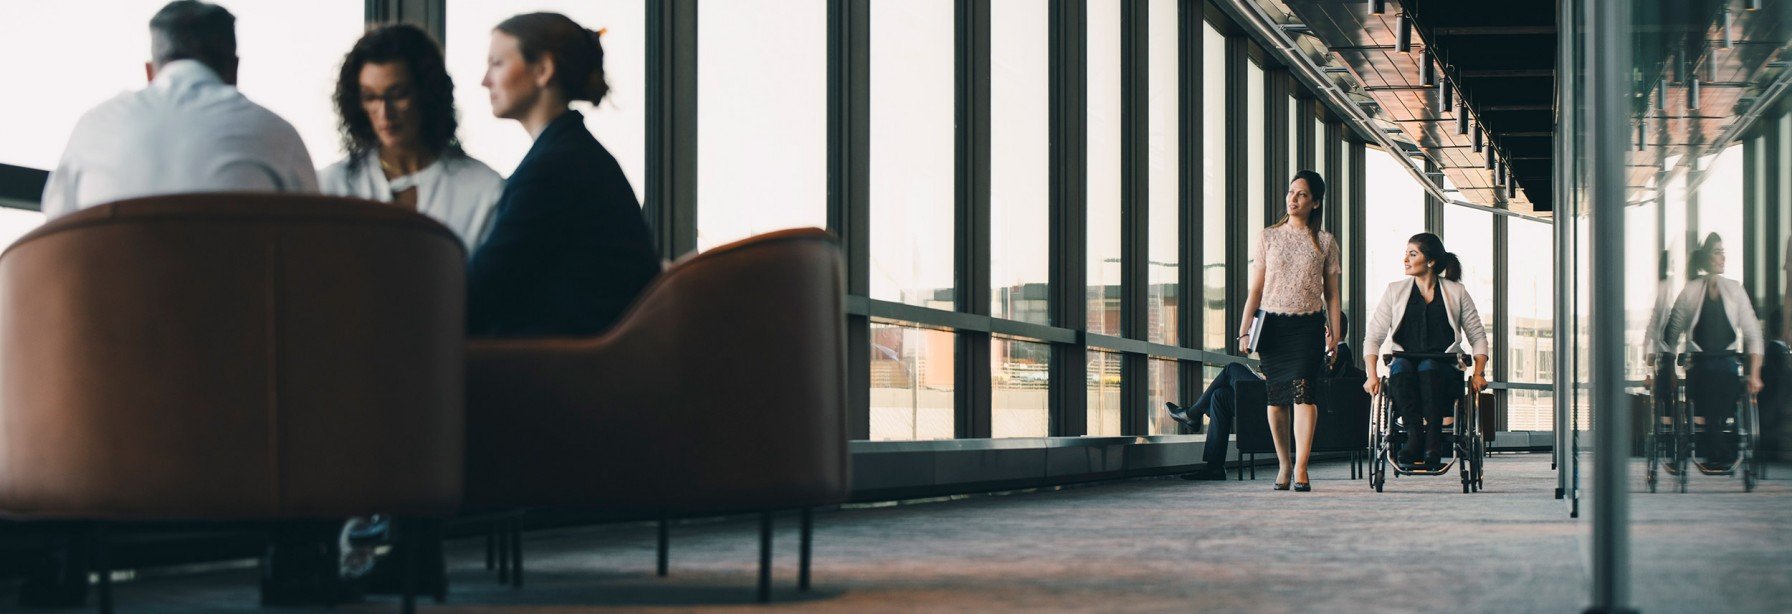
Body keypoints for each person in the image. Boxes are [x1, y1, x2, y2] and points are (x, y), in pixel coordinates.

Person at [467, 12, 660, 336]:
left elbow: (482, 290)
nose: (485, 80)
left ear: (542, 70)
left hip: (575, 365)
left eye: (497, 63)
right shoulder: (572, 154)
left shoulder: (554, 168)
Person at [40, 1, 315, 217]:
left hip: (111, 288)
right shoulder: (277, 135)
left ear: (150, 72)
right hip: (236, 289)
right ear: (234, 69)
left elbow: (54, 236)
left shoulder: (93, 127)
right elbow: (317, 243)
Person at [320, 24, 504, 250]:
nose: (384, 113)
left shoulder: (484, 190)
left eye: (398, 95)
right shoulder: (332, 185)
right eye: (370, 97)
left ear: (426, 93)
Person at [1236, 170, 1342, 492]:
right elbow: (1255, 290)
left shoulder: (1325, 242)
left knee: (1303, 393)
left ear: (1315, 202)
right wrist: (1244, 330)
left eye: (1301, 194)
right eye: (1291, 192)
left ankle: (1301, 467)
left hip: (1307, 327)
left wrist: (1335, 336)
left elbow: (1333, 294)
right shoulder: (1269, 236)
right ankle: (1283, 463)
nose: (1293, 199)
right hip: (1272, 326)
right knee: (1276, 399)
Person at [1171, 314, 1359, 481]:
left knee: (1231, 369)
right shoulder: (1344, 359)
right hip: (1287, 405)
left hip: (1282, 408)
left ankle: (1193, 414)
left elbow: (1306, 384)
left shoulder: (1330, 357)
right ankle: (1214, 466)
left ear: (1325, 330)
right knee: (1220, 397)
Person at [1363, 233, 1490, 469]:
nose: (1405, 260)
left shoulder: (1456, 292)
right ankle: (1415, 436)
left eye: (1413, 254)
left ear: (1430, 261)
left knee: (1429, 366)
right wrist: (1371, 374)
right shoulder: (1394, 291)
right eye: (1406, 254)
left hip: (1443, 364)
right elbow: (1374, 336)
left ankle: (1432, 436)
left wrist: (1479, 373)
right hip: (1404, 360)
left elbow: (1477, 335)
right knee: (1401, 367)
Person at [1659, 233, 1764, 466]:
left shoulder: (1735, 290)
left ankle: (1715, 448)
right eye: (1717, 252)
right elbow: (1671, 335)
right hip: (1700, 366)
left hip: (1727, 365)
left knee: (1724, 381)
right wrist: (1668, 369)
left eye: (1723, 252)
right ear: (1706, 258)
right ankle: (1718, 450)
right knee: (1711, 380)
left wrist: (1755, 374)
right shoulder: (1690, 291)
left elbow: (1753, 334)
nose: (1722, 257)